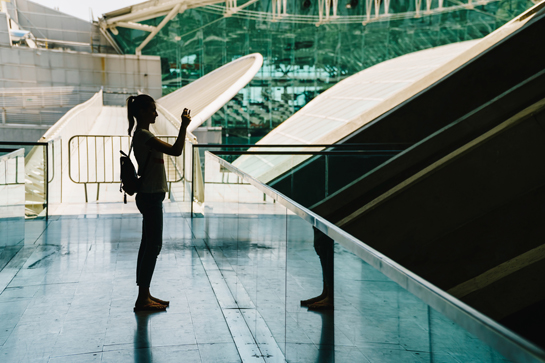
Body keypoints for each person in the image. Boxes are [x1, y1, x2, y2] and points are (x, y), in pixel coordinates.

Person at [127, 94, 191, 312]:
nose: (155, 113)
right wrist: (183, 126)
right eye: (152, 110)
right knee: (152, 247)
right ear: (143, 112)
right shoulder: (144, 135)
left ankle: (144, 294)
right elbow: (176, 150)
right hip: (151, 197)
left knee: (148, 246)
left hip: (149, 196)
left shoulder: (142, 134)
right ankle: (142, 298)